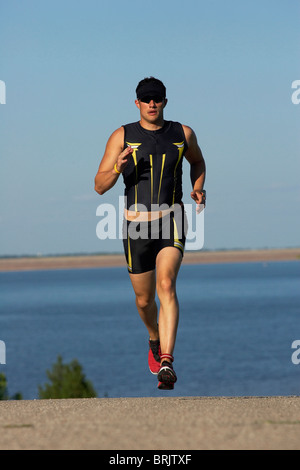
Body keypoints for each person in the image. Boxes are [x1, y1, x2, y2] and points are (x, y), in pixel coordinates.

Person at [94, 77, 206, 390]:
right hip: (135, 227)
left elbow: (197, 161)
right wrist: (117, 167)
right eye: (146, 99)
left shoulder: (182, 134)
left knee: (166, 284)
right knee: (144, 301)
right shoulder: (122, 135)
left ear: (165, 101)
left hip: (171, 219)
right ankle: (154, 339)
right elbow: (99, 185)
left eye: (157, 98)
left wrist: (198, 188)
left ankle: (167, 362)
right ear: (137, 103)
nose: (152, 103)